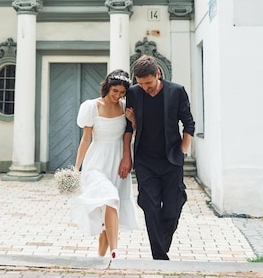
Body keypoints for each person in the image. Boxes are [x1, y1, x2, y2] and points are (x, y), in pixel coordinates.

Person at [125, 55, 195, 260]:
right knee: (151, 207)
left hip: (171, 159)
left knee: (172, 211)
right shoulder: (134, 93)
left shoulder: (176, 91)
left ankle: (160, 246)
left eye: (148, 83)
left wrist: (183, 149)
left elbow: (188, 123)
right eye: (140, 83)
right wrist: (127, 157)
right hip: (145, 160)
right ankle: (159, 256)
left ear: (158, 74)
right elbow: (129, 128)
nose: (145, 87)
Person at [69, 69, 139, 261]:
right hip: (96, 162)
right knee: (110, 197)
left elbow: (130, 134)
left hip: (117, 163)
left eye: (122, 93)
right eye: (115, 91)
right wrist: (77, 168)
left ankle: (101, 257)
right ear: (107, 87)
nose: (118, 96)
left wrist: (133, 121)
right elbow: (85, 140)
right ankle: (115, 252)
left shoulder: (125, 107)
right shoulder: (92, 107)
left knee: (110, 209)